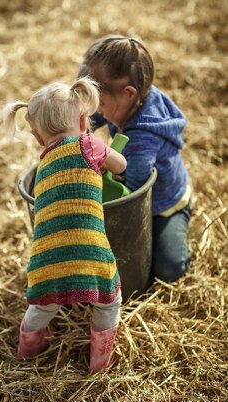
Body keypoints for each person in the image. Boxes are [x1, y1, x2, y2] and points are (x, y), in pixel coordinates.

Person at [2, 77, 126, 373]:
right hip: (91, 258)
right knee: (109, 301)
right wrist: (105, 154)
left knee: (42, 305)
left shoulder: (43, 164)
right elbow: (121, 166)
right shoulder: (88, 144)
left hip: (45, 264)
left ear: (37, 137)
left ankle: (28, 349)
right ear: (84, 120)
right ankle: (100, 362)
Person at [78, 34, 191, 283]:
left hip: (162, 203)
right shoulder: (130, 98)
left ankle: (182, 216)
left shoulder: (142, 138)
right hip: (142, 184)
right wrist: (77, 134)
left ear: (129, 93)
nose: (96, 110)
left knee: (168, 269)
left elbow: (133, 195)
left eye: (100, 102)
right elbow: (93, 120)